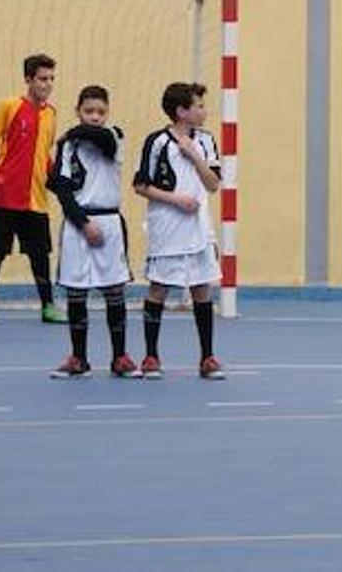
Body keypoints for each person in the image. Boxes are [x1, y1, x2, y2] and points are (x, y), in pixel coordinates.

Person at [132, 82, 226, 381]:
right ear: (182, 111)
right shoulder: (156, 142)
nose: (204, 110)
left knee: (201, 288)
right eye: (198, 106)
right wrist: (176, 200)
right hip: (167, 226)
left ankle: (207, 357)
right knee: (159, 288)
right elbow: (140, 185)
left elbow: (213, 184)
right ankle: (150, 355)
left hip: (198, 228)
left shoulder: (207, 141)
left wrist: (194, 156)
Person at [47, 86, 137, 379]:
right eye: (89, 112)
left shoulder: (114, 136)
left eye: (100, 111)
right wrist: (83, 223)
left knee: (114, 291)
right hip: (78, 224)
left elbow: (99, 137)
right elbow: (61, 189)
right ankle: (79, 357)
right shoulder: (68, 148)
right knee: (76, 292)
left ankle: (120, 356)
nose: (95, 117)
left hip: (109, 223)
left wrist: (72, 131)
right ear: (78, 110)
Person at [0, 54, 63, 326]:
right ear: (28, 80)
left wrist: (57, 179)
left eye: (51, 79)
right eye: (42, 79)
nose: (47, 84)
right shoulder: (9, 107)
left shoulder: (51, 114)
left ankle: (48, 306)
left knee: (40, 254)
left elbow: (44, 155)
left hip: (36, 200)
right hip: (5, 196)